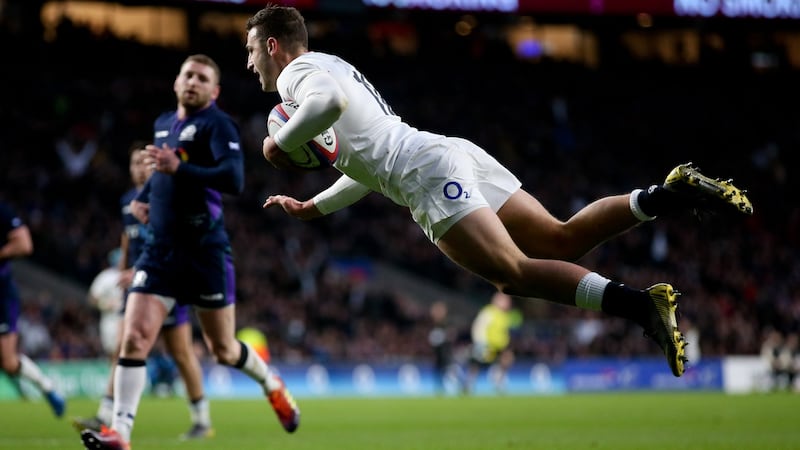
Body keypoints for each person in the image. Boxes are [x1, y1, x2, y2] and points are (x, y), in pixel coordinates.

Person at [246, 5, 753, 380]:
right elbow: (367, 169)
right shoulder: (331, 63)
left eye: (250, 50)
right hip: (440, 151)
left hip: (423, 173)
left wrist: (277, 142)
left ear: (273, 44)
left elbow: (328, 105)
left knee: (512, 274)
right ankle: (668, 193)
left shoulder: (298, 73)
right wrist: (315, 205)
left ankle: (643, 307)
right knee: (559, 239)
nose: (250, 64)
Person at [80, 54, 300, 450]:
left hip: (205, 251)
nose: (193, 81)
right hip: (160, 252)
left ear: (213, 91)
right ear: (177, 81)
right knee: (133, 339)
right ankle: (120, 434)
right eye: (188, 74)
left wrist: (176, 168)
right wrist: (144, 198)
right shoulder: (164, 124)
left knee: (223, 349)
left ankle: (271, 383)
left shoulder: (219, 125)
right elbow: (164, 173)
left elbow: (233, 178)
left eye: (202, 78)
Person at [74, 145, 214, 441]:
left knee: (181, 353)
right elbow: (128, 239)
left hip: (166, 281)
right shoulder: (128, 201)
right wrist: (122, 271)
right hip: (137, 287)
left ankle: (201, 419)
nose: (139, 167)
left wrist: (138, 269)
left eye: (143, 162)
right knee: (123, 348)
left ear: (154, 165)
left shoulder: (167, 196)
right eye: (134, 162)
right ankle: (104, 415)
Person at [0, 200, 66, 417]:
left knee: (8, 362)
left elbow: (24, 244)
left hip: (1, 293)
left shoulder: (2, 210)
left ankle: (46, 386)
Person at [462, 292, 516, 394]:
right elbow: (478, 327)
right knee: (477, 365)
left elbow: (503, 331)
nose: (508, 303)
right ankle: (468, 384)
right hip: (487, 345)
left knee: (507, 359)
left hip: (500, 346)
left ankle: (499, 382)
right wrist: (481, 342)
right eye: (505, 301)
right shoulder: (488, 312)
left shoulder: (504, 315)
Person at [427, 301, 453, 395]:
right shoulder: (431, 325)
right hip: (438, 354)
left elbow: (449, 338)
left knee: (447, 371)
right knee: (439, 372)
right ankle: (440, 389)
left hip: (445, 354)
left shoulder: (445, 325)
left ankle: (458, 387)